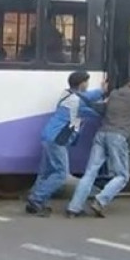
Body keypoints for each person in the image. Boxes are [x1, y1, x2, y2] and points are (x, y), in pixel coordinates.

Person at [66, 74, 130, 218]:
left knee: (90, 173)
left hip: (101, 134)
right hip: (117, 137)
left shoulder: (113, 94)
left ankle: (74, 208)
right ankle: (100, 201)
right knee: (122, 176)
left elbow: (101, 107)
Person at [25, 71, 107, 217]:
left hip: (48, 135)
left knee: (46, 172)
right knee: (61, 174)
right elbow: (94, 108)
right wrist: (103, 93)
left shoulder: (66, 94)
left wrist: (101, 92)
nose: (88, 85)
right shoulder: (77, 101)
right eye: (87, 82)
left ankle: (35, 200)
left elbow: (86, 99)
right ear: (82, 84)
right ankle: (36, 199)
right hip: (58, 139)